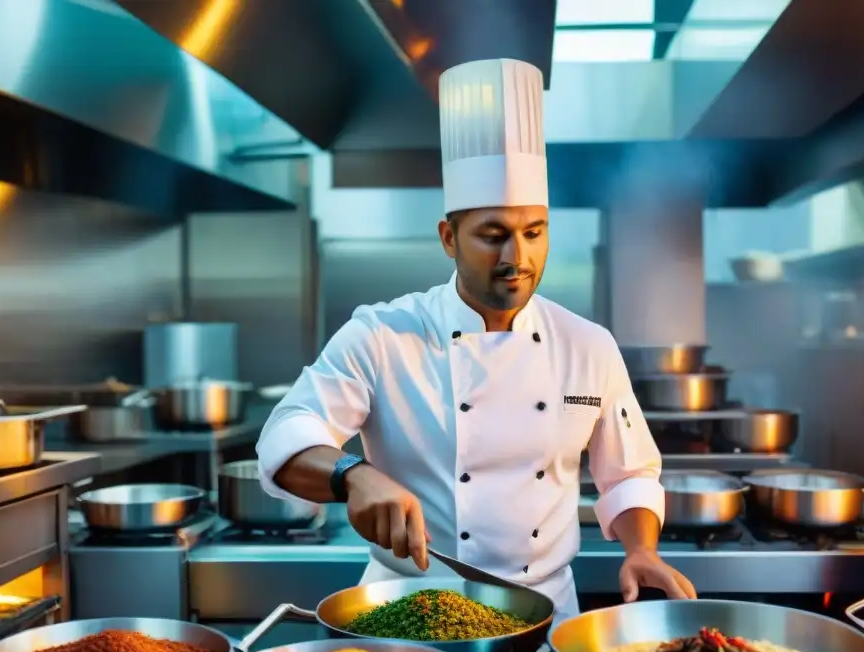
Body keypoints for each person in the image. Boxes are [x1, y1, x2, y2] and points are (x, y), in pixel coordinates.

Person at [257, 58, 696, 621]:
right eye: (493, 236)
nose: (517, 258)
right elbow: (285, 436)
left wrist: (642, 549)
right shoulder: (383, 335)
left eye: (533, 234)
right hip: (408, 606)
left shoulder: (587, 346)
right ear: (448, 238)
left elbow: (630, 472)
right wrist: (352, 475)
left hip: (545, 611)